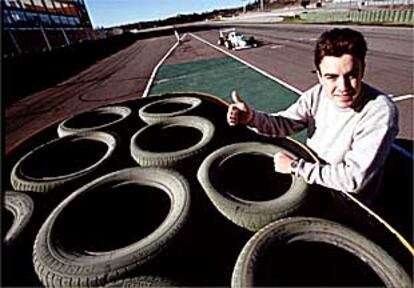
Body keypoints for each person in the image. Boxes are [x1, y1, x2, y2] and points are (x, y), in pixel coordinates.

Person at [226, 28, 399, 204]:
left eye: (352, 75)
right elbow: (285, 123)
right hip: (312, 178)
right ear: (319, 75)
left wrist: (295, 167)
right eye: (331, 77)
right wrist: (251, 118)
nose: (343, 87)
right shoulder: (316, 94)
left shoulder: (379, 111)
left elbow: (353, 180)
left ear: (363, 70)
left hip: (347, 201)